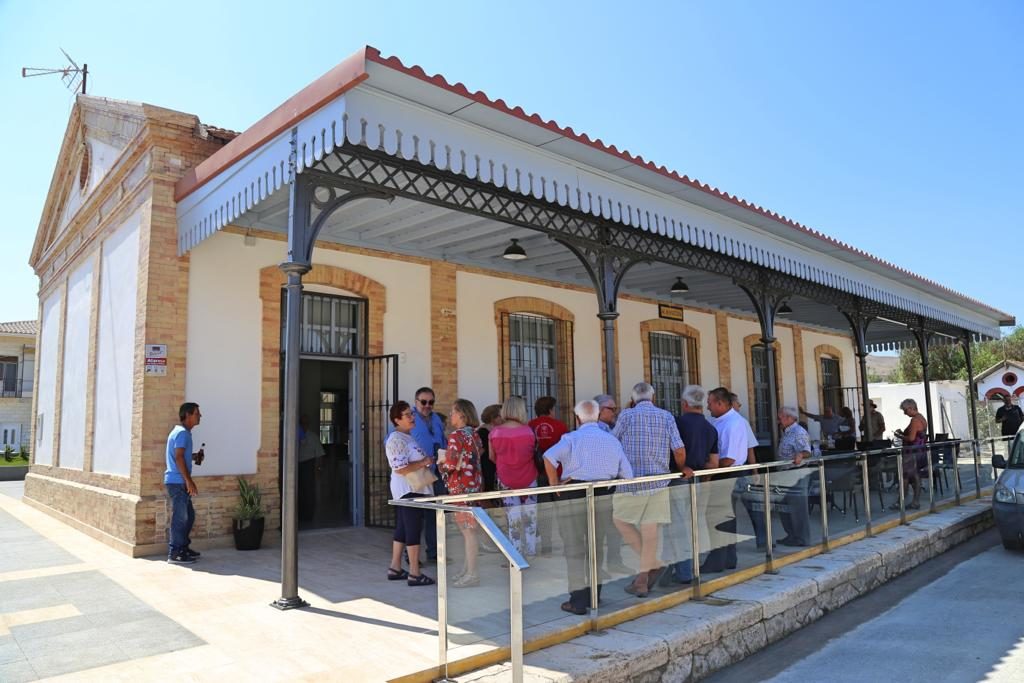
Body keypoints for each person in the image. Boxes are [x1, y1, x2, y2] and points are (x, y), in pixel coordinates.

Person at [543, 400, 634, 615]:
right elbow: (628, 474)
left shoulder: (572, 438)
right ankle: (595, 594)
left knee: (574, 546)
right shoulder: (611, 441)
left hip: (574, 493)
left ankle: (577, 600)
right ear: (597, 416)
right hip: (603, 495)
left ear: (577, 419)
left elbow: (549, 456)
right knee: (596, 544)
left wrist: (554, 485)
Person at [613, 382, 687, 598]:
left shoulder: (626, 415)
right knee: (650, 531)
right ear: (653, 397)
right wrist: (682, 468)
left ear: (633, 398)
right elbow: (679, 449)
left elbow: (613, 441)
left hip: (631, 482)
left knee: (620, 520)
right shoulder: (666, 416)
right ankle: (646, 574)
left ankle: (645, 576)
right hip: (659, 482)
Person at [663, 385, 719, 585]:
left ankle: (684, 571)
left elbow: (674, 450)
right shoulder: (711, 429)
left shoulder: (676, 423)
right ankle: (681, 567)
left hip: (676, 479)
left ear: (684, 403)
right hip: (697, 481)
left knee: (676, 528)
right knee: (690, 525)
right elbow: (713, 463)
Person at [385, 401, 436, 586]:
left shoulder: (407, 437)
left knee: (403, 528)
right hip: (408, 490)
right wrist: (424, 462)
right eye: (407, 415)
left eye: (411, 414)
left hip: (412, 490)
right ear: (397, 420)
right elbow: (400, 468)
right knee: (413, 529)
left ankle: (395, 567)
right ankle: (414, 573)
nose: (412, 417)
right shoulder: (396, 439)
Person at [439, 399, 485, 588]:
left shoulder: (456, 436)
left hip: (460, 488)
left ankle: (472, 574)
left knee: (467, 532)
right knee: (470, 530)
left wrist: (440, 463)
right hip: (474, 485)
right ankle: (468, 570)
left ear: (462, 415)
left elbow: (450, 464)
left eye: (453, 412)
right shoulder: (474, 434)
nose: (451, 416)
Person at [704, 387, 750, 571]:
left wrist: (709, 472)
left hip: (727, 473)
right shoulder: (723, 421)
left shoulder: (732, 423)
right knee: (727, 518)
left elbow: (728, 458)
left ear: (720, 403)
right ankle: (728, 558)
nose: (708, 408)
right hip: (726, 473)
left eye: (710, 403)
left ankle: (717, 561)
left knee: (718, 518)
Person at [489, 396, 540, 557]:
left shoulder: (495, 432)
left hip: (506, 478)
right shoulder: (528, 431)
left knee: (513, 518)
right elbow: (533, 453)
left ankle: (516, 552)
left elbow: (492, 457)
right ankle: (531, 550)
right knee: (530, 516)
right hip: (529, 477)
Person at [165, 402, 205, 565]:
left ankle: (183, 547)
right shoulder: (182, 433)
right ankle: (175, 553)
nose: (200, 416)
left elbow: (181, 456)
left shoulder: (182, 433)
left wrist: (195, 457)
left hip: (178, 481)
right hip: (178, 482)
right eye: (197, 413)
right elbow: (179, 457)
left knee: (189, 516)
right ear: (187, 415)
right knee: (181, 517)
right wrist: (189, 481)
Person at [410, 387, 447, 560]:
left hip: (436, 472)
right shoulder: (408, 418)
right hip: (418, 472)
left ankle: (434, 553)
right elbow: (392, 441)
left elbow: (443, 441)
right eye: (423, 402)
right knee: (414, 516)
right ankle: (411, 556)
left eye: (430, 402)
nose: (427, 405)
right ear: (416, 402)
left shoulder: (437, 419)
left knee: (436, 513)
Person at [775, 406, 813, 546]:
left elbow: (807, 451)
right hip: (785, 473)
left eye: (781, 418)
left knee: (798, 507)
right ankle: (791, 535)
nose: (779, 421)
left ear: (790, 418)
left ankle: (802, 538)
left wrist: (801, 454)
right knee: (784, 505)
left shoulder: (798, 432)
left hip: (796, 473)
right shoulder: (787, 432)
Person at [895, 398, 928, 510]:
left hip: (912, 452)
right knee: (916, 476)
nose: (904, 413)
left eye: (905, 410)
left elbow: (911, 438)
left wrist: (900, 436)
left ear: (910, 408)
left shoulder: (915, 420)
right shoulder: (922, 418)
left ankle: (901, 501)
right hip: (920, 451)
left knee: (905, 476)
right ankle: (915, 501)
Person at [297, 415, 324, 523]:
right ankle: (299, 515)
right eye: (302, 423)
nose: (304, 425)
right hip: (297, 466)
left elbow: (320, 455)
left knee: (309, 492)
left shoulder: (313, 437)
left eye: (306, 423)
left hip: (309, 465)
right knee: (299, 491)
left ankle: (308, 516)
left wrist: (318, 469)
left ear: (308, 424)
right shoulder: (295, 435)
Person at [477, 404, 502, 492]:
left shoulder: (497, 430)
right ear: (493, 418)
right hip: (487, 468)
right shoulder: (483, 432)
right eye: (500, 415)